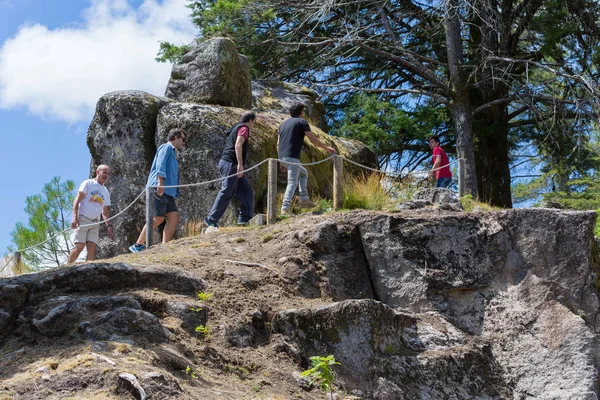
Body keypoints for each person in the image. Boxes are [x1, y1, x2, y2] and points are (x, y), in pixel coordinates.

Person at [129, 128, 187, 253]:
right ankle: (138, 245)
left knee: (174, 216)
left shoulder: (172, 152)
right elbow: (160, 164)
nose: (184, 142)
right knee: (158, 218)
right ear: (176, 137)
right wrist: (160, 182)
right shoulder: (166, 147)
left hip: (168, 191)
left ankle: (165, 246)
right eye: (183, 139)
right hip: (159, 187)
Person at [277, 103, 337, 215]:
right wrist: (327, 148)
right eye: (303, 111)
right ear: (301, 112)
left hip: (282, 157)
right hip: (292, 157)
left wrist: (281, 161)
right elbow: (313, 140)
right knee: (292, 182)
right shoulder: (301, 122)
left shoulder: (282, 124)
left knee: (303, 173)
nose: (304, 113)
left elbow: (278, 144)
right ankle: (285, 208)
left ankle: (304, 199)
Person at [204, 112, 257, 227]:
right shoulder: (244, 128)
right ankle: (211, 220)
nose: (253, 125)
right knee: (227, 191)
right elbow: (238, 145)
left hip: (226, 163)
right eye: (254, 122)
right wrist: (240, 165)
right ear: (251, 120)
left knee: (246, 190)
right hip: (231, 164)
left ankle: (245, 219)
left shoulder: (236, 127)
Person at [68, 164, 113, 263]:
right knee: (79, 246)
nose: (106, 176)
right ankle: (66, 268)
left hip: (95, 222)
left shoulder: (105, 191)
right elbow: (77, 200)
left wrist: (109, 225)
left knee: (92, 247)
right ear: (97, 172)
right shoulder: (88, 183)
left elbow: (104, 212)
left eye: (108, 174)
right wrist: (74, 218)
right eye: (104, 172)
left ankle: (87, 269)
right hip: (83, 219)